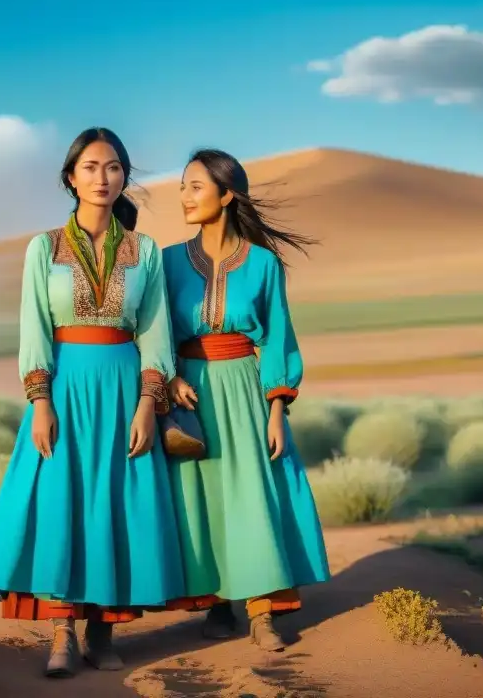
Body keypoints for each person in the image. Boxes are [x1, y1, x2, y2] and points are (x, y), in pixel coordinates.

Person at [0, 127, 185, 678]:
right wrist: (40, 401)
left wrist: (146, 403)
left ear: (124, 177)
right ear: (71, 177)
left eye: (113, 167)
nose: (102, 177)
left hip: (122, 386)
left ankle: (102, 630)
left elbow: (155, 333)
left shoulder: (147, 252)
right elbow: (34, 329)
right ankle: (61, 633)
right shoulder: (43, 247)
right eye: (90, 167)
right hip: (63, 386)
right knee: (63, 500)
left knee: (115, 501)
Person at [161, 148, 331, 651]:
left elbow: (278, 337)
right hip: (188, 392)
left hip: (243, 386)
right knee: (201, 496)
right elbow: (153, 332)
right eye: (183, 186)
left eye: (196, 186)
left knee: (254, 495)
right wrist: (168, 380)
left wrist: (277, 408)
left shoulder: (262, 264)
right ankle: (216, 603)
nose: (185, 196)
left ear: (226, 194)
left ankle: (262, 613)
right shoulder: (167, 260)